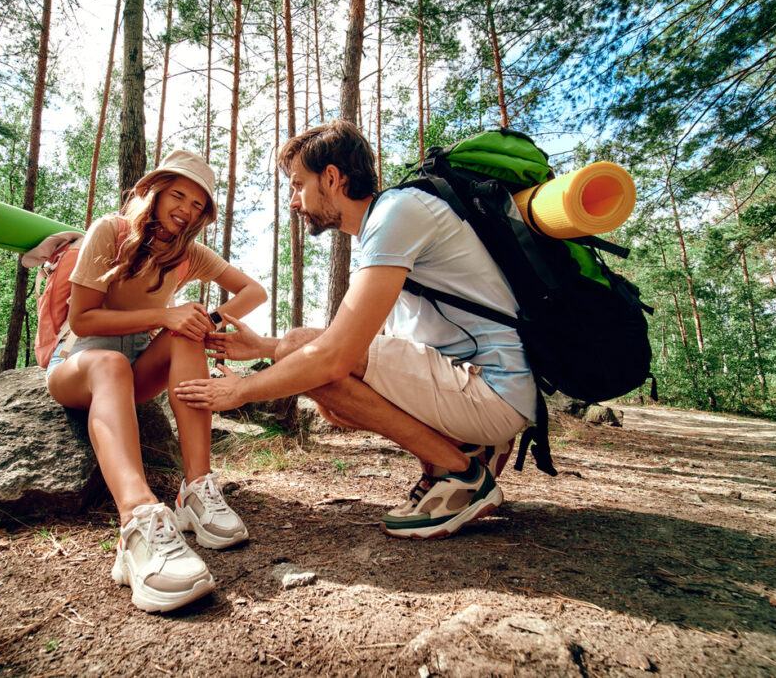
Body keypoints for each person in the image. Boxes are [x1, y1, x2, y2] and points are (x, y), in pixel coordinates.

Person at [174, 119, 533, 540]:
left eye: (297, 185)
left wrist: (241, 391)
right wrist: (265, 347)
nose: (294, 202)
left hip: (492, 392)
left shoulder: (398, 213)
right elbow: (348, 355)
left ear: (331, 177)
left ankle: (461, 474)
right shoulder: (388, 226)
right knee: (323, 388)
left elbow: (334, 356)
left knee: (302, 354)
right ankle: (467, 449)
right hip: (478, 387)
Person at [45, 150, 266, 612]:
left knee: (189, 330)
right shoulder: (112, 231)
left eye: (198, 204)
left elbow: (254, 291)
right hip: (81, 364)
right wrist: (164, 313)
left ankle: (197, 489)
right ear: (156, 191)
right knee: (111, 363)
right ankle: (137, 521)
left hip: (136, 370)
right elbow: (83, 321)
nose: (186, 209)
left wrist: (210, 317)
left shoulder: (189, 254)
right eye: (178, 195)